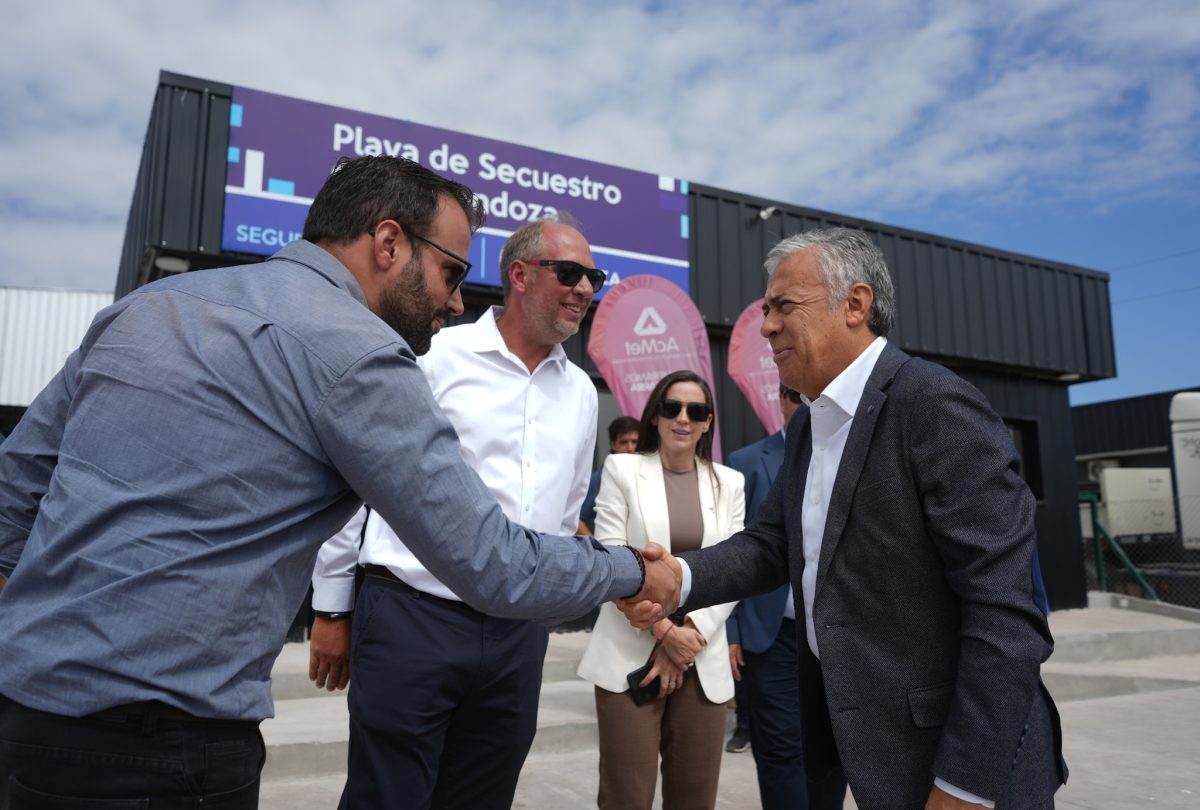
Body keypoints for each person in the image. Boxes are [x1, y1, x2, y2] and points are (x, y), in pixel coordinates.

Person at [0, 156, 679, 808]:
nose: (453, 300)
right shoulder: (365, 357)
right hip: (171, 743)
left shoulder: (148, 306)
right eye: (449, 271)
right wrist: (634, 572)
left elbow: (17, 483)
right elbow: (491, 560)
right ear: (388, 243)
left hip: (30, 713)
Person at [625, 228, 1067, 809]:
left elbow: (1006, 614)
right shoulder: (810, 426)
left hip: (958, 766)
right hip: (876, 750)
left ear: (855, 305)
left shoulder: (933, 404)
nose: (766, 327)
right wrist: (677, 577)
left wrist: (965, 786)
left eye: (783, 306)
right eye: (766, 310)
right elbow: (771, 545)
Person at [307, 216, 606, 809]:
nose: (584, 289)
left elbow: (564, 516)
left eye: (593, 279)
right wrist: (332, 606)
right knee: (385, 799)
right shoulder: (435, 356)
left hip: (517, 634)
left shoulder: (580, 393)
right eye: (570, 273)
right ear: (519, 275)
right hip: (412, 617)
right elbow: (358, 480)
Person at [577, 370, 745, 810]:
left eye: (696, 410)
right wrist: (665, 633)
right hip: (628, 654)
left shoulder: (731, 483)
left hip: (700, 655)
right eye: (672, 407)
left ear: (708, 422)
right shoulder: (623, 469)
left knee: (694, 800)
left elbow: (734, 570)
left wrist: (688, 634)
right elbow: (612, 556)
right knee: (625, 798)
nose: (683, 418)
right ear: (655, 415)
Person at [726, 380, 848, 809]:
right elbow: (736, 547)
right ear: (780, 399)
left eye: (814, 398)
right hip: (773, 632)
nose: (805, 405)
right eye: (797, 397)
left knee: (834, 749)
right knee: (780, 751)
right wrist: (732, 628)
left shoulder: (848, 454)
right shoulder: (746, 462)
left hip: (837, 634)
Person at [578, 415, 641, 534]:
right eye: (624, 442)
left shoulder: (648, 474)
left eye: (635, 442)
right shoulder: (599, 479)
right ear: (613, 444)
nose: (630, 448)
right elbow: (577, 521)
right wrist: (596, 545)